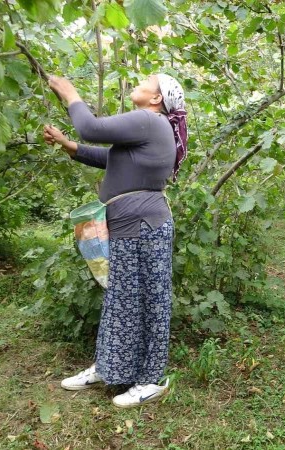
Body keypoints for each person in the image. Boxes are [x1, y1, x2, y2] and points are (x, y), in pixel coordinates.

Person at [44, 73, 188, 407]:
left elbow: (91, 128)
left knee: (150, 302)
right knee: (120, 300)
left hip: (143, 227)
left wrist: (70, 93)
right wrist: (71, 147)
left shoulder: (149, 121)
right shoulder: (151, 127)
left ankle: (151, 379)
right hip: (129, 226)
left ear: (156, 99)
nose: (139, 81)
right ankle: (110, 366)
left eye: (147, 81)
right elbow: (115, 160)